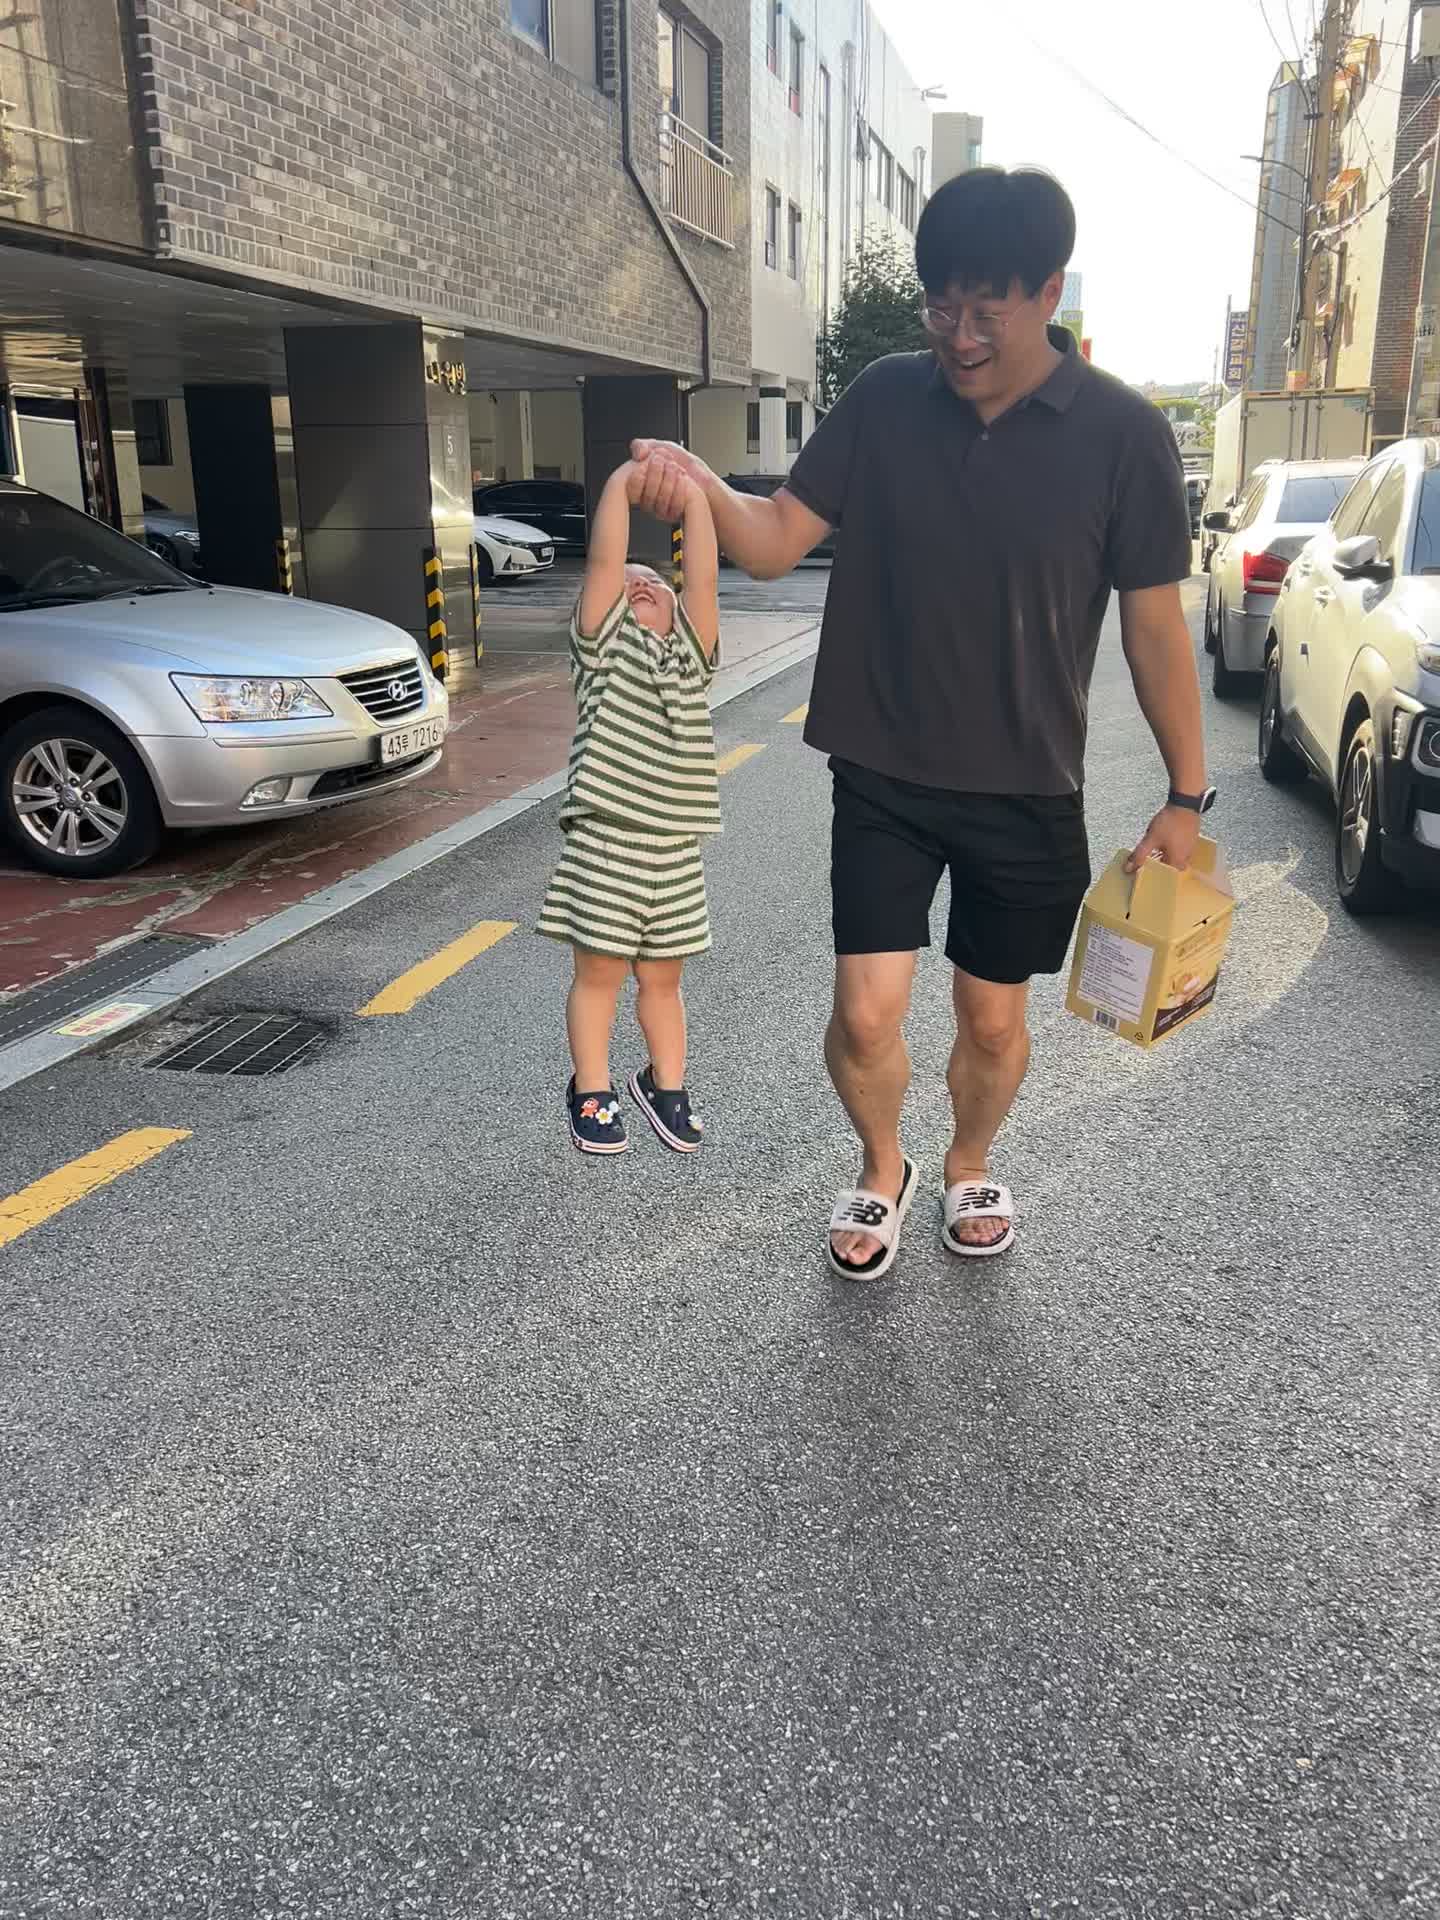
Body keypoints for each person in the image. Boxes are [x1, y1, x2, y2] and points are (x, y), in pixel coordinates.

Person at [628, 165, 1209, 1276]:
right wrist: (699, 483)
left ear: (1050, 294)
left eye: (988, 310)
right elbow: (774, 539)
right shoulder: (886, 398)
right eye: (942, 306)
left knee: (992, 1020)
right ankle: (883, 1163)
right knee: (865, 1012)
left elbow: (1153, 633)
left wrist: (1186, 794)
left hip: (1030, 784)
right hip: (883, 770)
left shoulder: (1125, 435)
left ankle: (969, 1159)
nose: (960, 335)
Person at [537, 458, 722, 1158]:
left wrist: (696, 497)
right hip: (607, 841)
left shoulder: (692, 661)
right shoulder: (603, 653)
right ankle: (591, 1086)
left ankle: (664, 1083)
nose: (642, 584)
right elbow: (605, 560)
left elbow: (702, 578)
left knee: (665, 978)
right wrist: (621, 483)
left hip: (676, 849)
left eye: (656, 584)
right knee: (602, 974)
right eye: (629, 583)